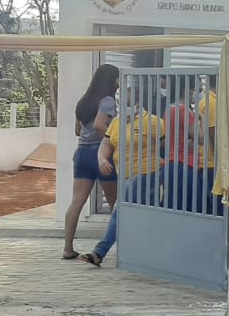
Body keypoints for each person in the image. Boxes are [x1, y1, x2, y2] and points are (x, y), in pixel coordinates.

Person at [80, 84, 165, 267]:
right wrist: (102, 158)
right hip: (125, 177)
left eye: (127, 100)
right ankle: (150, 253)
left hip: (146, 174)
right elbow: (106, 144)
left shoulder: (153, 122)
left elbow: (167, 144)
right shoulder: (117, 123)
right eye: (121, 100)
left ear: (138, 101)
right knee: (146, 216)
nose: (123, 103)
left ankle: (99, 252)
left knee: (120, 211)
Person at [63, 63, 120, 259]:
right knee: (115, 204)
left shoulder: (83, 101)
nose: (119, 83)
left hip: (82, 153)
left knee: (76, 202)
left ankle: (68, 248)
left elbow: (77, 131)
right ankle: (120, 248)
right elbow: (99, 126)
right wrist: (114, 138)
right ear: (111, 80)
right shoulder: (107, 101)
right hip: (100, 154)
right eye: (117, 79)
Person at [161, 75, 200, 211]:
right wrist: (200, 120)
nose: (194, 92)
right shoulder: (184, 110)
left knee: (172, 206)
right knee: (190, 208)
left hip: (171, 163)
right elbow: (200, 137)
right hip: (185, 164)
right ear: (185, 90)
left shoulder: (169, 109)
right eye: (193, 89)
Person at [196, 75, 221, 214]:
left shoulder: (207, 100)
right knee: (214, 205)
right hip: (211, 161)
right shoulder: (211, 103)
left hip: (205, 159)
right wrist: (219, 159)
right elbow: (212, 133)